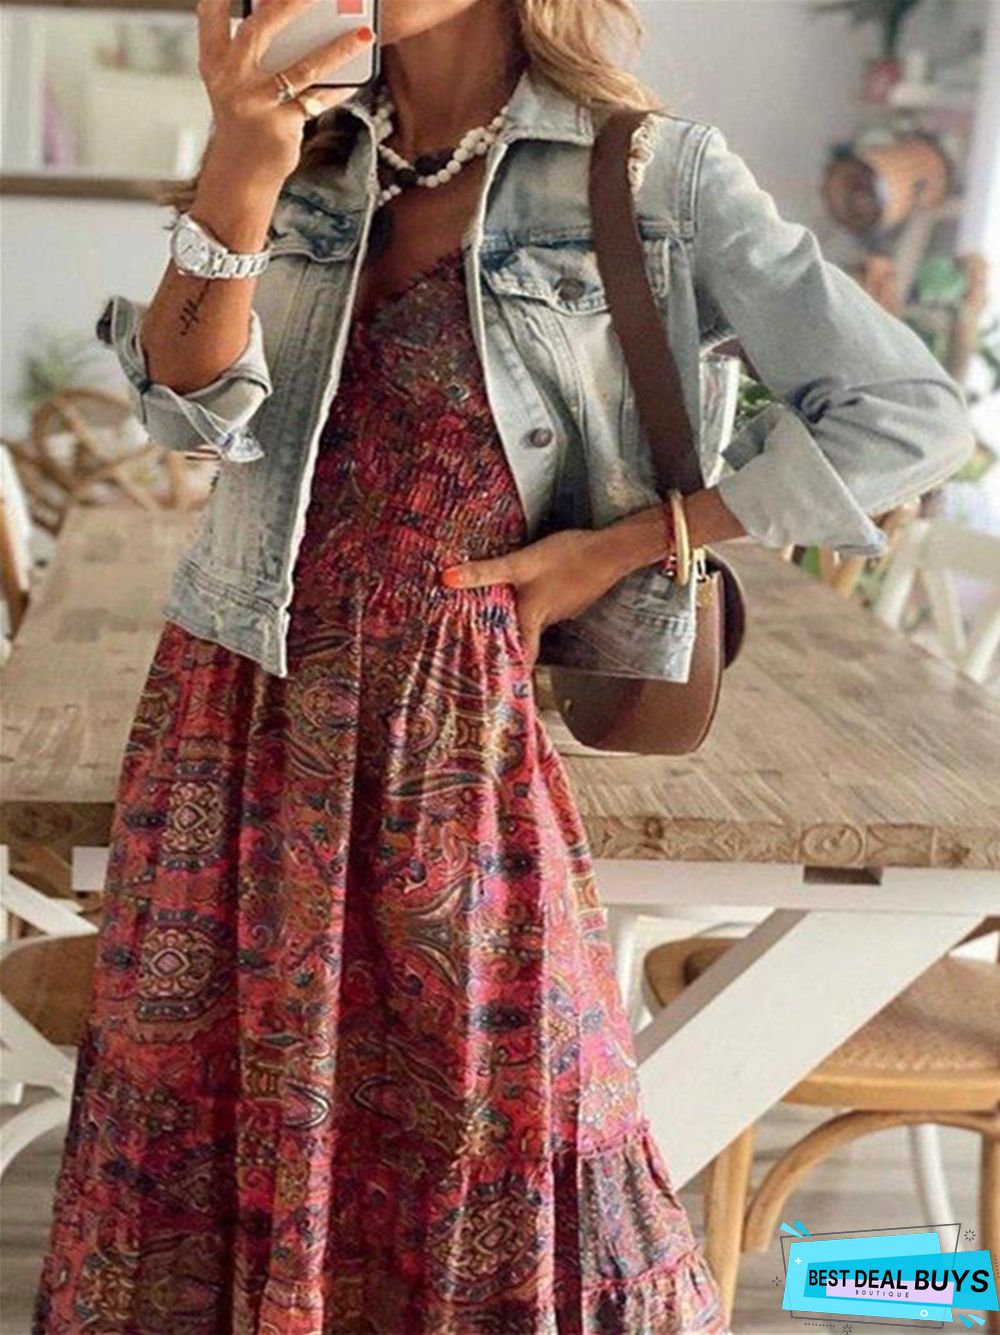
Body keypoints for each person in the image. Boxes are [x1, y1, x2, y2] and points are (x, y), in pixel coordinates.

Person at [32, 0, 974, 1331]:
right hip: (236, 704)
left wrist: (630, 545)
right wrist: (241, 158)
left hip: (456, 722)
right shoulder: (307, 151)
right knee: (235, 1113)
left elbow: (908, 417)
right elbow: (187, 414)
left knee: (510, 1110)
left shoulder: (650, 174)